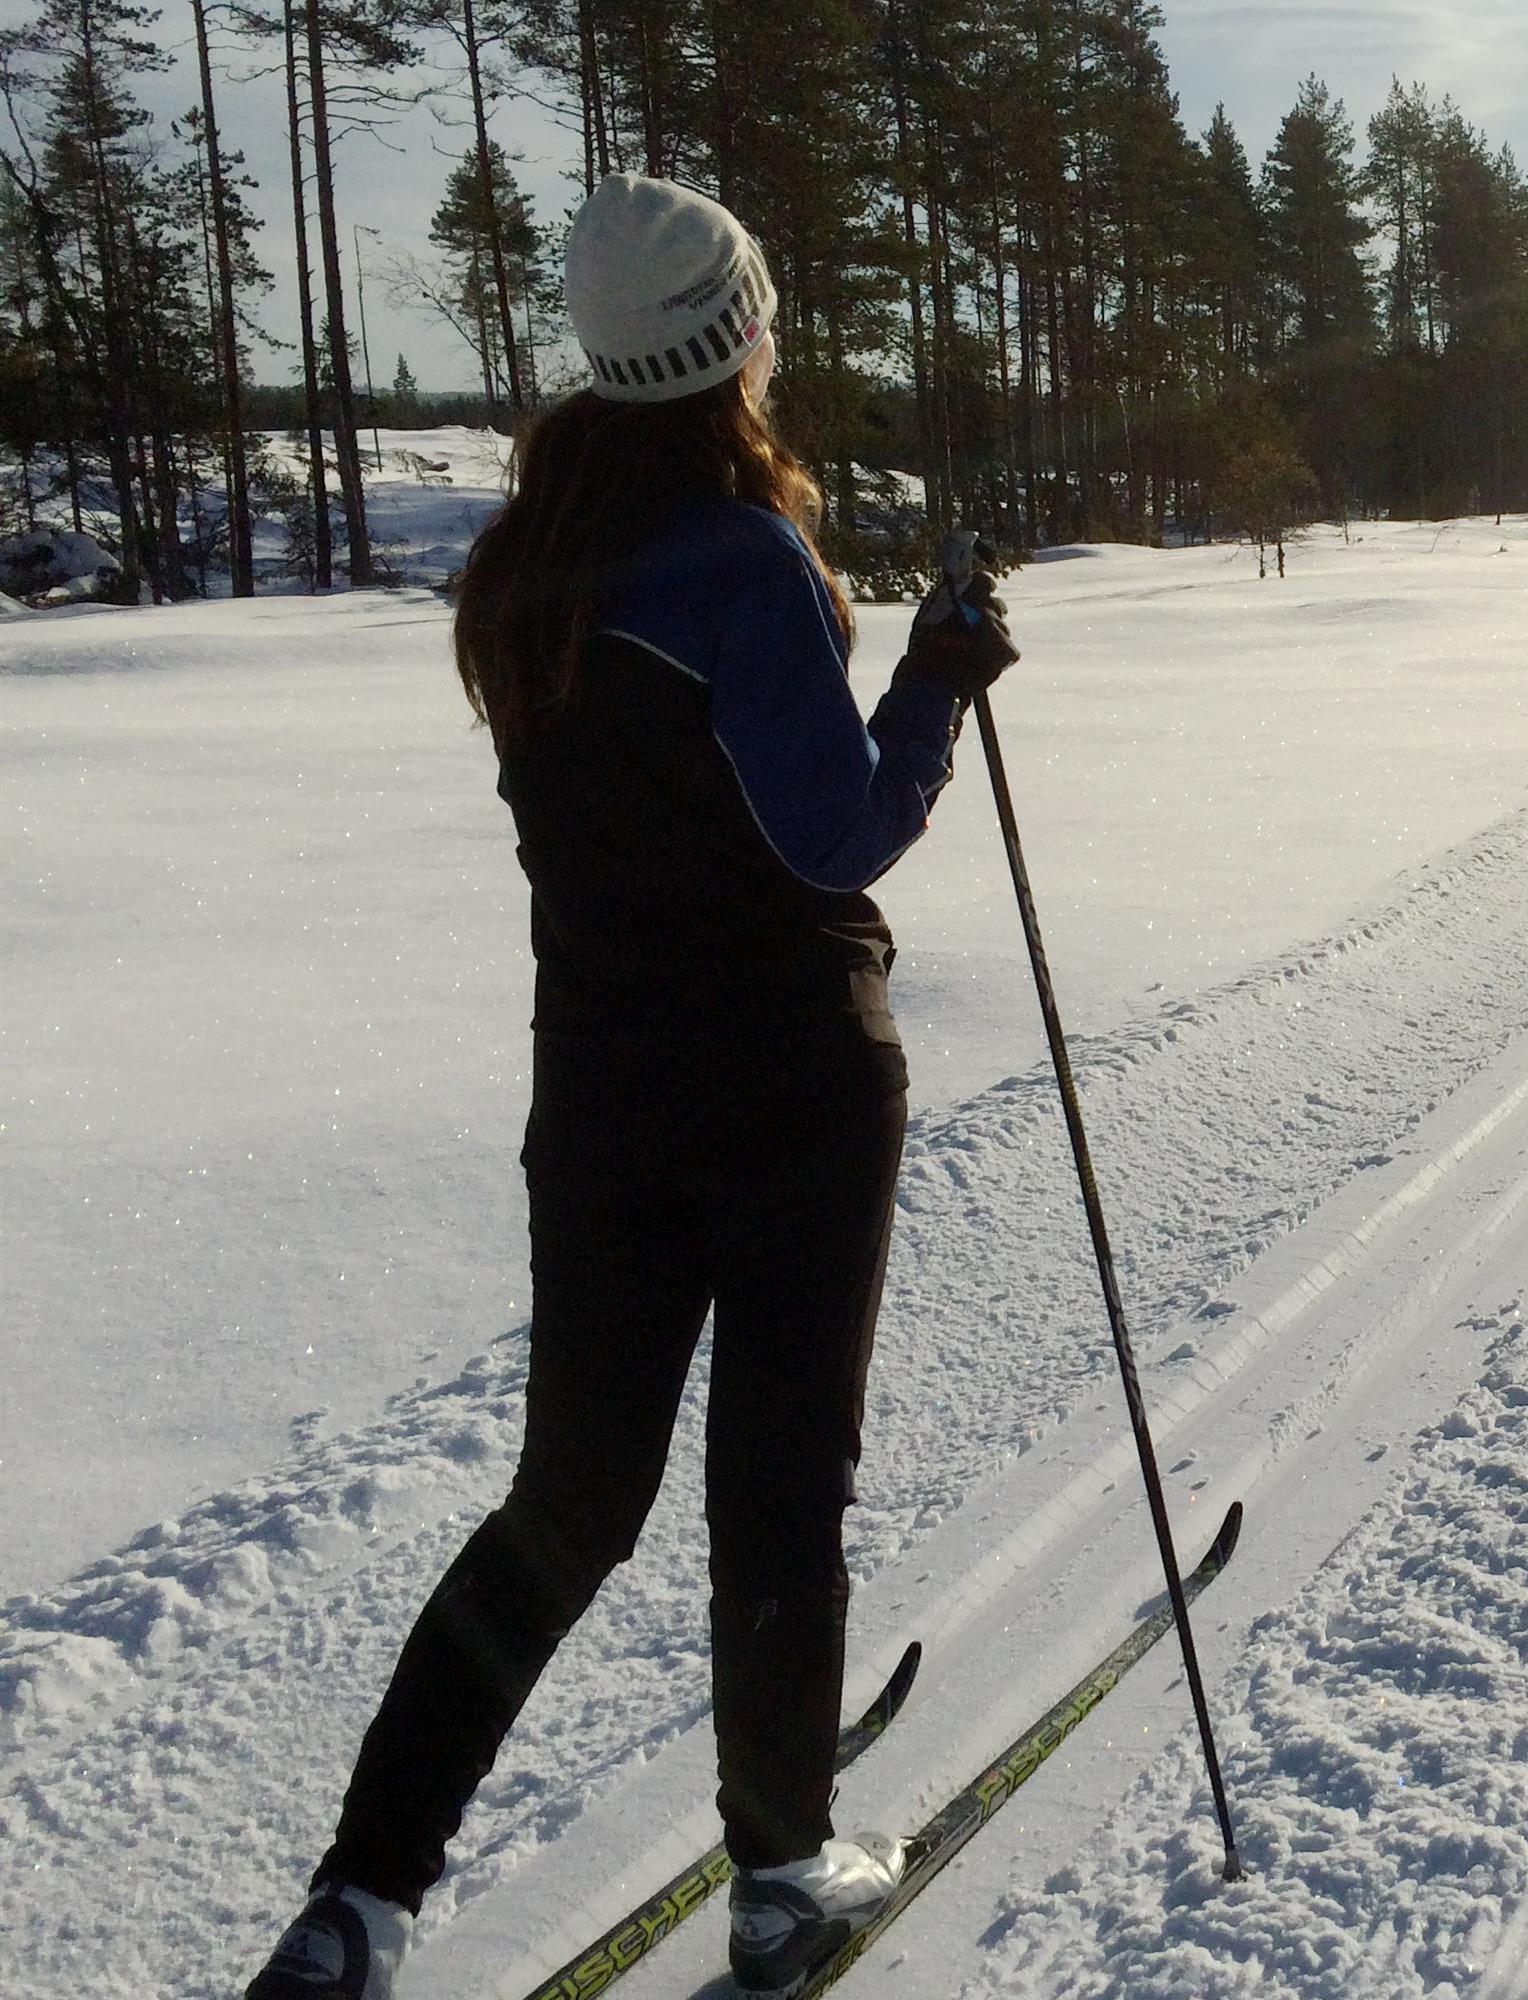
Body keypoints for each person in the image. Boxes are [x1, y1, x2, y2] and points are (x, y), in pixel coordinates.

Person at [245, 173, 1017, 2000]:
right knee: (774, 1487)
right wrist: (941, 681)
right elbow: (835, 837)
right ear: (737, 338)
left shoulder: (530, 559)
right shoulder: (739, 556)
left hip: (596, 1096)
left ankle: (360, 1904)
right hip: (789, 1081)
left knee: (572, 1499)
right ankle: (779, 1876)